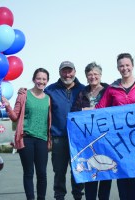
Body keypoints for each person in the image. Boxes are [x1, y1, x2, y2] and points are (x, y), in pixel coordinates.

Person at [95, 53, 135, 200]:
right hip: (119, 140)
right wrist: (82, 115)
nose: (124, 68)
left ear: (132, 66)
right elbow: (100, 109)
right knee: (122, 173)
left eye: (127, 65)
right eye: (121, 66)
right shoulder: (112, 88)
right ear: (118, 68)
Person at [2, 68, 52, 200]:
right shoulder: (24, 95)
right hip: (26, 139)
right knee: (28, 173)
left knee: (42, 173)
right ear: (34, 79)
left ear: (47, 81)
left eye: (44, 79)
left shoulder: (48, 99)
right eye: (39, 78)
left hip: (42, 139)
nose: (41, 81)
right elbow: (14, 117)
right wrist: (7, 106)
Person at [44, 61, 85, 200]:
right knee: (59, 172)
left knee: (78, 172)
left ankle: (78, 197)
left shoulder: (83, 89)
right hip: (58, 138)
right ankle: (59, 197)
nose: (67, 74)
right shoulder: (50, 90)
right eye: (64, 71)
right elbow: (38, 101)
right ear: (60, 72)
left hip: (78, 140)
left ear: (75, 71)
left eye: (70, 71)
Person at [71, 62, 112, 200]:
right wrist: (86, 111)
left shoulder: (109, 90)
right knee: (91, 171)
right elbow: (75, 112)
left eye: (95, 74)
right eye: (90, 74)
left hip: (106, 137)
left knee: (106, 171)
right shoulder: (82, 93)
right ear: (86, 76)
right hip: (88, 138)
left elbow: (113, 110)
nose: (93, 77)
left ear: (100, 75)